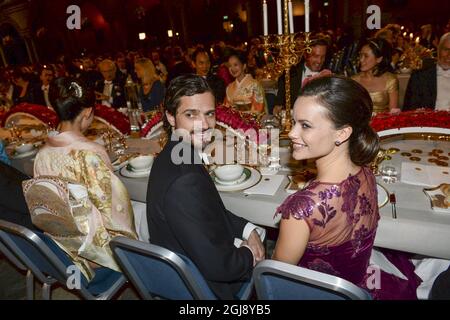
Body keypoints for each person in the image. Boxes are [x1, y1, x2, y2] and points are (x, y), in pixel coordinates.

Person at [146, 74, 265, 299]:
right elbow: (219, 266)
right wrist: (251, 255)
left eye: (209, 114)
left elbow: (210, 210)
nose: (205, 124)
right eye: (191, 114)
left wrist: (247, 229)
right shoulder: (184, 179)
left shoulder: (176, 153)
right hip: (204, 287)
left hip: (194, 260)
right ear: (171, 117)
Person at [273, 75, 381, 292]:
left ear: (342, 133)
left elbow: (275, 281)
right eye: (294, 122)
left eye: (305, 125)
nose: (292, 133)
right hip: (358, 291)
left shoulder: (301, 209)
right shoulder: (367, 175)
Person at [33, 78, 138, 278]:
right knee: (142, 213)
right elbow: (114, 209)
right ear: (88, 112)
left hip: (58, 248)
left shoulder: (41, 154)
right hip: (93, 255)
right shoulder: (90, 153)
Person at [274, 38, 329, 114]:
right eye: (315, 56)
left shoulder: (329, 76)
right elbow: (278, 105)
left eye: (323, 57)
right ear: (306, 55)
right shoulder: (290, 73)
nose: (319, 61)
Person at [352, 38, 400, 114]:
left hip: (384, 124)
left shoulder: (390, 80)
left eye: (366, 56)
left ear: (379, 59)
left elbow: (393, 114)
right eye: (360, 55)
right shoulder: (354, 80)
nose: (361, 60)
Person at [404, 32, 450, 111]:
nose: (449, 55)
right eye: (446, 50)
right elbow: (409, 110)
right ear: (439, 50)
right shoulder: (420, 77)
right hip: (428, 122)